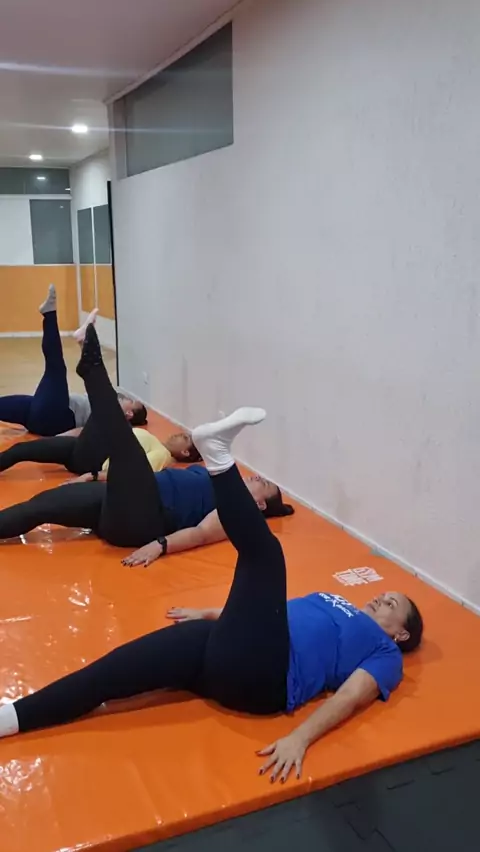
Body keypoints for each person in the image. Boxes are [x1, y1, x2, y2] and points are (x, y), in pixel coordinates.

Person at [0, 408, 423, 784]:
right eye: (384, 595)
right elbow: (269, 614)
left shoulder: (384, 654)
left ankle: (219, 458)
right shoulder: (337, 601)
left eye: (392, 604)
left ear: (400, 633)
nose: (380, 599)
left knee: (266, 556)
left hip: (264, 679)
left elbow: (350, 697)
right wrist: (209, 613)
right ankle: (13, 716)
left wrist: (300, 738)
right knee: (111, 673)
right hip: (228, 646)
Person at [0, 324, 293, 557]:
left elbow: (202, 533)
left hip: (143, 516)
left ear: (260, 505)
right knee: (41, 505)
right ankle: (93, 371)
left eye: (264, 484)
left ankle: (93, 369)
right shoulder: (219, 478)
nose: (259, 477)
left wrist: (159, 546)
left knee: (126, 447)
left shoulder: (239, 510)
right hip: (120, 503)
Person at [0, 285, 146, 436]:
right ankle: (72, 331)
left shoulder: (113, 416)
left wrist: (59, 438)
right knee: (30, 400)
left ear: (129, 413)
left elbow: (82, 432)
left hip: (56, 416)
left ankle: (50, 315)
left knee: (56, 368)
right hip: (43, 414)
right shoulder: (110, 402)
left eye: (132, 402)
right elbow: (94, 376)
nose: (129, 398)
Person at [0, 420, 201, 478]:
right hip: (84, 450)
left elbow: (133, 473)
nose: (178, 434)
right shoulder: (156, 442)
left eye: (184, 438)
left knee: (107, 408)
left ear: (185, 452)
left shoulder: (162, 455)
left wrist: (93, 476)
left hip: (93, 457)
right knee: (21, 450)